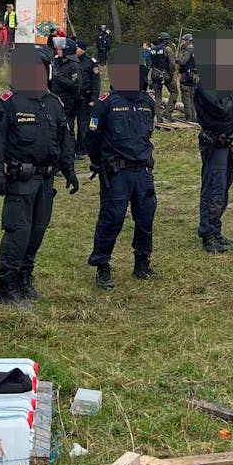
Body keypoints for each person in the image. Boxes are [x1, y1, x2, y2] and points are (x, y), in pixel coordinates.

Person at [0, 45, 78, 307]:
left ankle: (25, 277)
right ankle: (8, 286)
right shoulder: (10, 102)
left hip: (46, 182)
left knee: (37, 232)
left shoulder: (53, 103)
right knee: (18, 232)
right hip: (20, 181)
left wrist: (69, 169)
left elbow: (65, 138)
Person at [85, 49, 160, 289]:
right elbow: (91, 138)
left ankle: (142, 262)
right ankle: (102, 265)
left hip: (143, 171)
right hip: (116, 172)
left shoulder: (147, 102)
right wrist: (100, 162)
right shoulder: (107, 103)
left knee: (146, 218)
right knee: (112, 218)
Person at [191, 35, 233, 252]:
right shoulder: (206, 84)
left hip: (225, 141)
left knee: (223, 188)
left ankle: (216, 229)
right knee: (214, 188)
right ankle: (208, 233)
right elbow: (221, 108)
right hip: (213, 142)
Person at [147, 32, 175, 118]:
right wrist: (171, 74)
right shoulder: (167, 49)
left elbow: (150, 63)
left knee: (158, 95)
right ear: (166, 40)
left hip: (154, 73)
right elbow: (172, 64)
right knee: (174, 92)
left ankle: (158, 116)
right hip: (164, 73)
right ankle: (167, 112)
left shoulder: (152, 49)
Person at [176, 33, 198, 117]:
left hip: (186, 77)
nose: (182, 42)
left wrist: (176, 59)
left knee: (186, 99)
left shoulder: (188, 50)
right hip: (194, 77)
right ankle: (194, 116)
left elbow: (183, 62)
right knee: (192, 98)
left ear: (188, 41)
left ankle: (189, 117)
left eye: (184, 40)